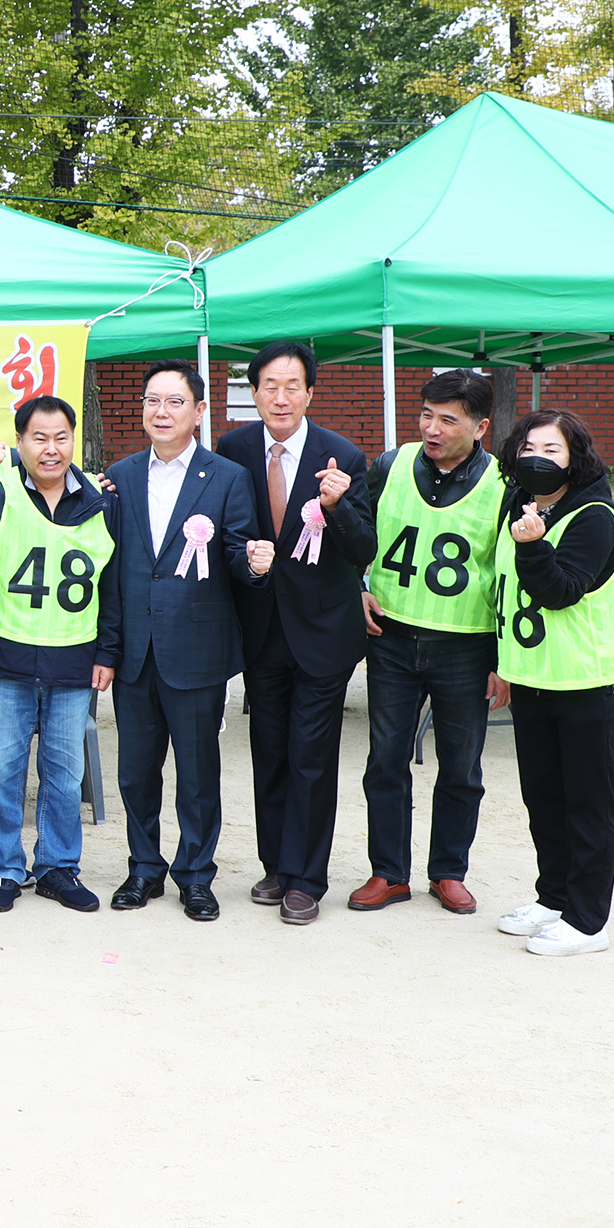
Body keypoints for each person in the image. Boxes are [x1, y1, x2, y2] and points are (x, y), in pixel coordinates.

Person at [217, 341, 376, 926]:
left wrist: (338, 507)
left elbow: (364, 547)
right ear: (253, 391)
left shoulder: (344, 456)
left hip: (323, 633)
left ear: (311, 392)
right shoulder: (231, 449)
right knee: (270, 752)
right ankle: (277, 865)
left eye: (292, 386)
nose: (280, 397)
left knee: (312, 754)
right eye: (268, 386)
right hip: (261, 628)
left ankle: (307, 879)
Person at [104, 362, 270, 921]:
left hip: (197, 651)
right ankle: (143, 868)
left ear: (199, 412)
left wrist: (252, 564)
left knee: (198, 776)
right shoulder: (120, 476)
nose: (161, 412)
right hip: (134, 652)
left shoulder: (225, 476)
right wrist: (108, 647)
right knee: (135, 772)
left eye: (175, 402)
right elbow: (112, 570)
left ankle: (196, 876)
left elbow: (235, 553)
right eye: (153, 401)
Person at [354, 369, 508, 916]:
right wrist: (358, 587)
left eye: (448, 419)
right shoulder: (389, 466)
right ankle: (388, 872)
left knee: (461, 766)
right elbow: (352, 531)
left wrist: (504, 659)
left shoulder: (503, 485)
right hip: (392, 638)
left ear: (481, 426)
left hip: (466, 646)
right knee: (386, 760)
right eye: (426, 414)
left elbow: (509, 575)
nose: (432, 428)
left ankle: (448, 870)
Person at [0, 395, 120, 914]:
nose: (51, 449)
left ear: (74, 440)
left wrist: (108, 650)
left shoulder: (102, 498)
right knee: (2, 767)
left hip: (74, 655)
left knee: (64, 768)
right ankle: (4, 868)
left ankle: (57, 867)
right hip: (5, 651)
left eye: (61, 438)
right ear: (20, 441)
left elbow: (112, 583)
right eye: (39, 438)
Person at [493, 409, 614, 957]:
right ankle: (553, 897)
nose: (537, 459)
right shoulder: (519, 502)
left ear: (576, 456)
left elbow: (561, 590)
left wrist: (532, 546)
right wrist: (500, 663)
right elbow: (503, 589)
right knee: (544, 797)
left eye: (551, 450)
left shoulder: (595, 517)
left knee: (588, 803)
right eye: (529, 447)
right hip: (533, 678)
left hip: (588, 683)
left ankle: (588, 920)